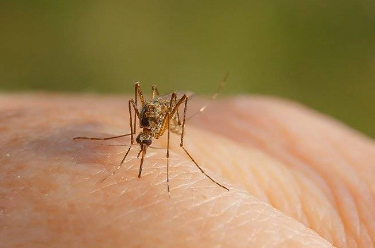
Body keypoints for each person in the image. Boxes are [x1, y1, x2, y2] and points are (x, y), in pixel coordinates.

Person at [1, 94, 374, 248]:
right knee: (139, 98)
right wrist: (132, 134)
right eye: (142, 145)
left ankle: (176, 143)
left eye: (142, 145)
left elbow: (163, 114)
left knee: (164, 109)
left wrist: (168, 144)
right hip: (151, 117)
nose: (142, 150)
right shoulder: (143, 130)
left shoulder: (159, 132)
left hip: (165, 120)